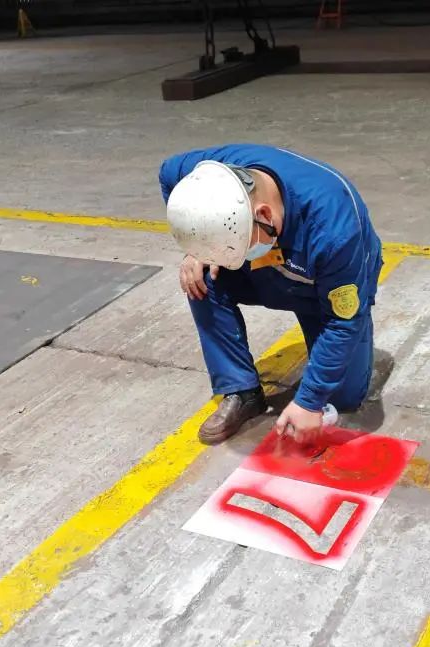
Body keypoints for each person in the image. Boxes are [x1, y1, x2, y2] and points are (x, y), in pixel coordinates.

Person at [158, 144, 383, 445]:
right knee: (200, 278)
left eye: (238, 246)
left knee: (343, 397)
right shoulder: (206, 172)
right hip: (264, 268)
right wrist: (198, 248)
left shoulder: (335, 232)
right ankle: (241, 390)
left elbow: (342, 322)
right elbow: (167, 174)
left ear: (264, 213)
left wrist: (309, 402)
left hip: (319, 287)